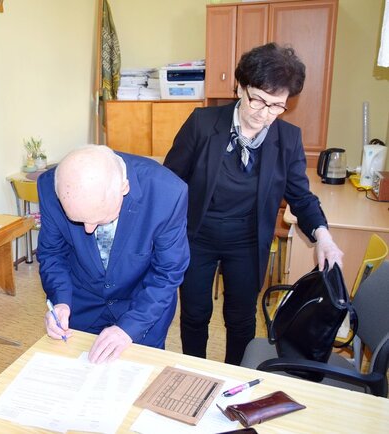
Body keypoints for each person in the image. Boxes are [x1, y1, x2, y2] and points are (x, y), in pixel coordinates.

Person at [163, 43, 344, 366]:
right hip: (197, 236)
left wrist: (323, 236)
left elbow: (301, 197)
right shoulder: (203, 123)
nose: (264, 113)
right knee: (195, 313)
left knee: (241, 318)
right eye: (257, 100)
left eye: (276, 106)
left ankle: (237, 378)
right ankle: (195, 371)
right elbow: (170, 181)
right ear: (240, 87)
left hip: (247, 240)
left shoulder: (287, 139)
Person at [37, 145, 190, 363]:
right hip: (82, 304)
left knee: (140, 376)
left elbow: (168, 271)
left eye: (100, 219)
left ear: (124, 188)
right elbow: (52, 253)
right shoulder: (52, 185)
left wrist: (130, 327)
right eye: (78, 220)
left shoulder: (167, 193)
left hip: (141, 306)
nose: (88, 229)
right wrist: (60, 301)